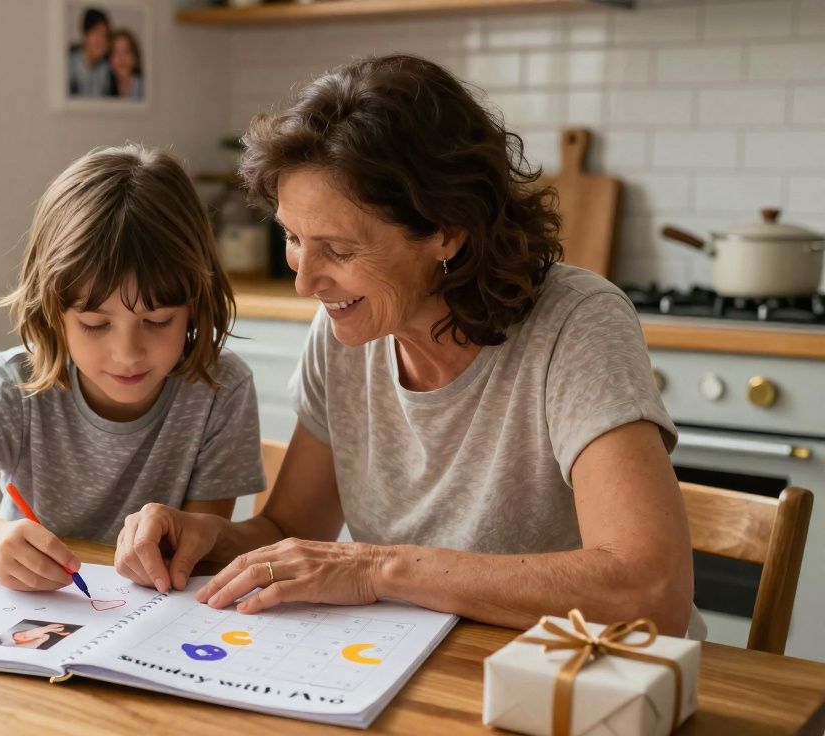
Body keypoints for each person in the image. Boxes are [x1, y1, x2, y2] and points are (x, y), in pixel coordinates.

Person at [114, 54, 701, 638]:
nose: (304, 280)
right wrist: (205, 537)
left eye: (339, 251)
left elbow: (650, 590)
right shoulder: (347, 331)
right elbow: (290, 526)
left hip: (577, 680)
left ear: (446, 230)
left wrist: (377, 568)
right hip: (428, 668)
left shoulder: (575, 325)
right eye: (293, 238)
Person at [0, 144, 267, 594]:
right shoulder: (15, 383)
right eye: (95, 325)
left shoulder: (218, 389)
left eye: (157, 322)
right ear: (52, 311)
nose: (128, 353)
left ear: (195, 304)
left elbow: (195, 553)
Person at [68, 8, 112, 97]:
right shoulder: (69, 64)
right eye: (95, 33)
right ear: (85, 35)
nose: (100, 40)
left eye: (104, 35)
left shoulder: (107, 69)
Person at [106, 29, 143, 100]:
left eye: (126, 52)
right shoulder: (106, 88)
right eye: (116, 53)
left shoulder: (144, 88)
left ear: (135, 59)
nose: (121, 58)